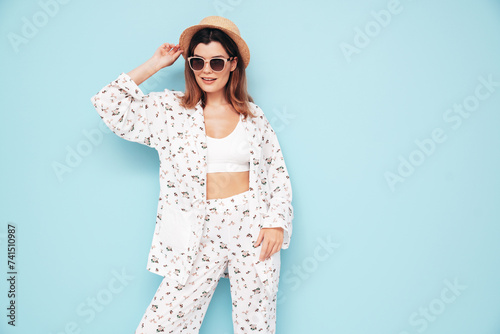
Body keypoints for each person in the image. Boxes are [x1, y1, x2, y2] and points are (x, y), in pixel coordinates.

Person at [90, 16, 294, 334]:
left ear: (232, 64)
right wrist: (156, 63)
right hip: (196, 230)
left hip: (252, 227)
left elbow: (277, 173)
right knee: (163, 324)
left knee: (257, 325)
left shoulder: (253, 116)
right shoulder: (171, 112)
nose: (207, 70)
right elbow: (109, 104)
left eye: (216, 61)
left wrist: (276, 223)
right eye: (198, 61)